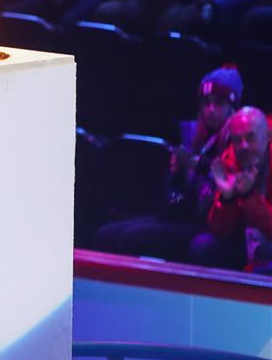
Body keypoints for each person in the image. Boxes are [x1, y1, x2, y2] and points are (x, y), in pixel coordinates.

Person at [94, 66, 242, 262]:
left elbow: (228, 192)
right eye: (206, 103)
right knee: (105, 235)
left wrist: (200, 167)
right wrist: (177, 174)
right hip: (180, 216)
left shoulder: (240, 140)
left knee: (132, 238)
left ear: (232, 107)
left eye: (218, 103)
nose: (210, 110)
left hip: (207, 224)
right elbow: (173, 196)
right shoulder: (192, 134)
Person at [190, 107, 272, 272]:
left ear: (268, 136)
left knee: (262, 261)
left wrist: (249, 196)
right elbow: (221, 231)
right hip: (246, 244)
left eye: (250, 137)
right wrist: (227, 198)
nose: (244, 146)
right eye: (237, 139)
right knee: (201, 246)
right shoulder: (230, 160)